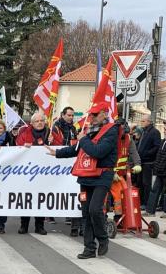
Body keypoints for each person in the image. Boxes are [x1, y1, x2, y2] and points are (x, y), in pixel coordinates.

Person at [48, 101, 118, 259]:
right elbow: (77, 149)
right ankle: (89, 248)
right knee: (85, 213)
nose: (91, 117)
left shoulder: (111, 131)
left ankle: (102, 238)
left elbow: (98, 152)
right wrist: (57, 153)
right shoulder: (88, 130)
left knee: (95, 209)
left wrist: (83, 139)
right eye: (90, 114)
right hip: (86, 177)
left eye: (95, 114)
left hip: (102, 176)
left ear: (104, 114)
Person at [14, 112, 50, 235]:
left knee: (41, 199)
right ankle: (24, 225)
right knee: (27, 198)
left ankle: (39, 226)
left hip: (45, 172)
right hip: (28, 173)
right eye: (37, 121)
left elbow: (59, 148)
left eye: (42, 120)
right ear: (32, 123)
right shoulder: (25, 134)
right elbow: (17, 146)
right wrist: (24, 146)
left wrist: (52, 142)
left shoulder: (51, 133)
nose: (40, 123)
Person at [50, 107, 82, 236]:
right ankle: (51, 214)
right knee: (55, 187)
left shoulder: (73, 128)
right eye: (69, 115)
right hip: (59, 159)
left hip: (70, 160)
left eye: (72, 115)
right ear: (63, 115)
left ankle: (70, 214)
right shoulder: (56, 127)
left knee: (69, 188)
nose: (71, 117)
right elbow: (58, 142)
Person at [108, 119, 142, 226]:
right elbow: (107, 156)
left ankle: (119, 218)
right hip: (108, 172)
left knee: (124, 194)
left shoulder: (128, 139)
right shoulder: (111, 139)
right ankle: (103, 218)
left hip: (120, 174)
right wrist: (112, 171)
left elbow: (133, 152)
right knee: (107, 198)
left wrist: (138, 164)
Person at [146, 122, 166, 216]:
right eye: (164, 129)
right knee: (155, 190)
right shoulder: (164, 141)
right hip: (160, 170)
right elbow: (159, 155)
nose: (164, 131)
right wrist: (156, 168)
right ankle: (150, 211)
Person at [135, 115, 161, 209]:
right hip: (141, 161)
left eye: (143, 121)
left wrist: (146, 153)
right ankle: (141, 202)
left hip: (148, 162)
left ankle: (146, 203)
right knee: (140, 183)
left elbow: (156, 146)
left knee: (146, 183)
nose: (141, 122)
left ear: (149, 122)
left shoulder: (154, 132)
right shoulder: (144, 131)